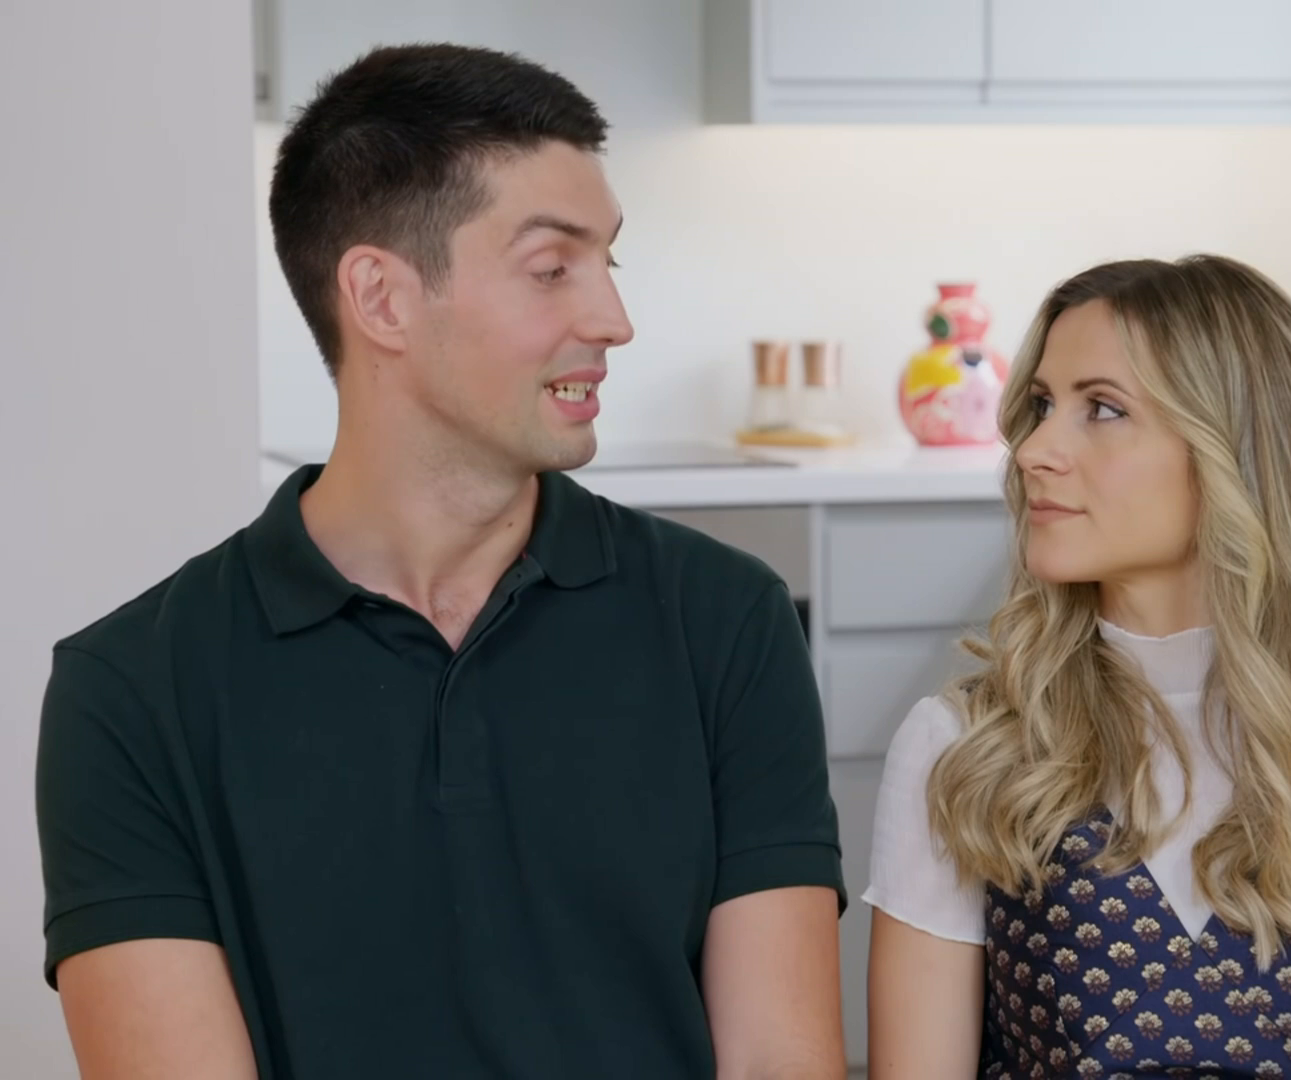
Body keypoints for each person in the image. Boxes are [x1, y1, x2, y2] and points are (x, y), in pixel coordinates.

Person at [35, 44, 844, 1079]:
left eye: (608, 264)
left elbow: (778, 1058)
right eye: (552, 269)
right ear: (381, 298)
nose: (613, 320)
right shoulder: (130, 691)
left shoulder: (725, 622)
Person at [863, 256, 1291, 1078]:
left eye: (1103, 409)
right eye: (1042, 406)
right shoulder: (961, 748)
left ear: (1236, 450)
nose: (1033, 451)